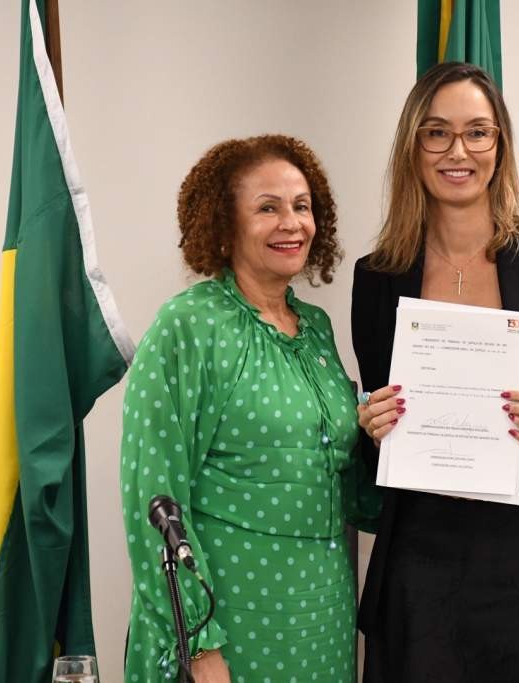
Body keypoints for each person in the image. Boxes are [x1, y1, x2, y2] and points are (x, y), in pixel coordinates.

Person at [352, 62, 519, 682]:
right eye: (437, 133)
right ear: (412, 147)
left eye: (478, 132)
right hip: (424, 557)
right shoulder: (377, 275)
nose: (459, 151)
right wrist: (371, 419)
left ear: (499, 146)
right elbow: (378, 400)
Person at [121, 134, 378, 683]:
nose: (293, 223)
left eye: (302, 206)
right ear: (225, 224)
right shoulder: (188, 327)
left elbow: (342, 483)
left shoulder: (317, 330)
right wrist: (199, 644)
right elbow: (153, 494)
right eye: (268, 208)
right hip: (230, 626)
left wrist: (381, 435)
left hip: (321, 623)